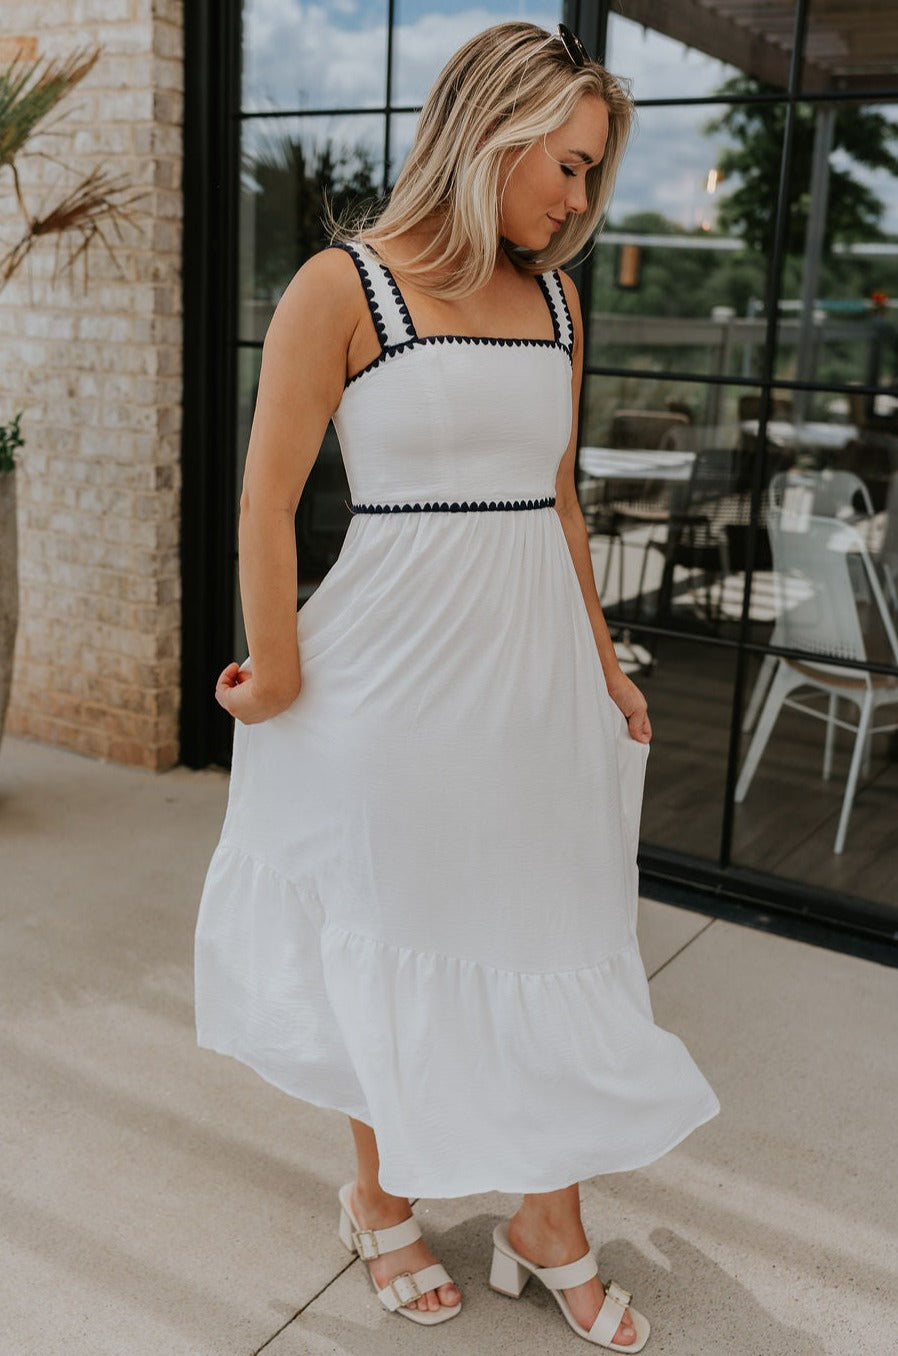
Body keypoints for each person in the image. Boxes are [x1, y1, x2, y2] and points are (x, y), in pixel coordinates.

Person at [194, 20, 719, 1351]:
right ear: (493, 127)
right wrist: (277, 671)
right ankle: (379, 1196)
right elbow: (266, 498)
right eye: (568, 162)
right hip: (382, 686)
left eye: (594, 174)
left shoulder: (555, 300)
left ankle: (548, 1219)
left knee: (543, 930)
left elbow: (555, 494)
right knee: (395, 931)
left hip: (528, 683)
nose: (577, 197)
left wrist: (602, 667)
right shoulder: (343, 285)